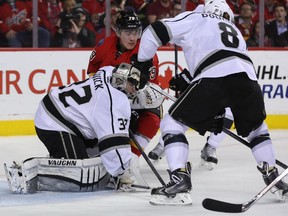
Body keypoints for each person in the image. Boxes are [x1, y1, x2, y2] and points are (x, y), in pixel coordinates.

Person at [133, 0, 288, 205]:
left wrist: (142, 65)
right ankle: (273, 177)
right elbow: (227, 64)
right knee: (257, 129)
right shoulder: (235, 30)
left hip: (213, 77)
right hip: (248, 80)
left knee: (172, 123)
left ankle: (180, 181)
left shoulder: (198, 17)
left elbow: (155, 31)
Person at [4, 63, 142, 194]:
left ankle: (59, 157)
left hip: (60, 111)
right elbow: (113, 146)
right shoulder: (115, 101)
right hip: (54, 121)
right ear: (121, 81)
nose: (134, 89)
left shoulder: (107, 71)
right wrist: (122, 172)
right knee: (77, 172)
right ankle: (26, 173)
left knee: (88, 157)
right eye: (132, 84)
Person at [87, 10, 164, 186]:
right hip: (107, 99)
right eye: (128, 33)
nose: (132, 37)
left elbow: (152, 89)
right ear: (118, 32)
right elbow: (91, 74)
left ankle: (131, 159)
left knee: (154, 115)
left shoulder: (147, 51)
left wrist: (135, 94)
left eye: (136, 32)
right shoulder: (104, 45)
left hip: (136, 100)